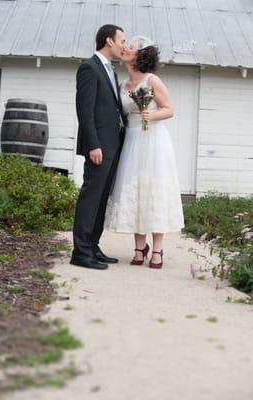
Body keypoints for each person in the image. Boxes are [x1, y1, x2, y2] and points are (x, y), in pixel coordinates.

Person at [105, 36, 185, 269]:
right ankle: (139, 248)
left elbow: (169, 109)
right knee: (135, 190)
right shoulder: (122, 85)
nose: (126, 48)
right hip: (131, 140)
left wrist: (152, 115)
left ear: (141, 55)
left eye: (131, 47)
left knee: (154, 190)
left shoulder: (152, 80)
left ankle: (157, 249)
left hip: (154, 141)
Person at [70, 24, 126, 270]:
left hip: (113, 146)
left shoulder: (111, 71)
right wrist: (93, 144)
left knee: (102, 199)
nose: (124, 45)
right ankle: (81, 252)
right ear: (109, 41)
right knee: (91, 198)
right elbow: (85, 111)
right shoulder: (89, 68)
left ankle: (92, 246)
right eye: (121, 40)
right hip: (99, 147)